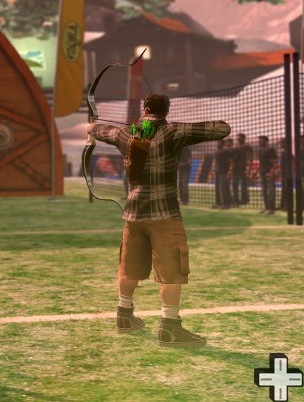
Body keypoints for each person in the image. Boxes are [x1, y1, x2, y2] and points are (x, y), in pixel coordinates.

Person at [88, 93, 229, 347]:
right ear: (166, 111)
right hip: (164, 215)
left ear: (145, 110)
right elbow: (222, 129)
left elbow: (97, 130)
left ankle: (124, 316)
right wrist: (186, 127)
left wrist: (92, 125)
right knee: (172, 272)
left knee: (128, 267)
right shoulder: (173, 132)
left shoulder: (126, 133)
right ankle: (170, 328)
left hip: (133, 215)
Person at [258, 136, 277, 215]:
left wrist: (271, 172)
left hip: (269, 173)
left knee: (271, 191)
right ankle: (267, 207)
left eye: (261, 141)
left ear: (266, 141)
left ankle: (271, 209)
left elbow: (274, 162)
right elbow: (260, 162)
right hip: (262, 172)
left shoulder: (270, 150)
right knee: (264, 191)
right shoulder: (260, 150)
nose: (259, 142)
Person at [213, 139, 233, 210]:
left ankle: (227, 204)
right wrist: (214, 171)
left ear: (223, 143)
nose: (217, 143)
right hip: (217, 171)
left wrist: (230, 171)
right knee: (217, 188)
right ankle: (218, 203)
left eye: (219, 142)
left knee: (224, 188)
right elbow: (215, 162)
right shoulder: (216, 151)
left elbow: (231, 161)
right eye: (217, 142)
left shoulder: (226, 151)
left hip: (224, 171)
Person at [231, 134, 250, 206]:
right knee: (234, 184)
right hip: (236, 168)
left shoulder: (247, 147)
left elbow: (249, 158)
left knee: (243, 185)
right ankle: (236, 200)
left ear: (243, 138)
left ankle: (244, 199)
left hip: (243, 168)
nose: (238, 139)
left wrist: (248, 169)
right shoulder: (235, 147)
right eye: (237, 138)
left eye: (239, 138)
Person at [278, 138, 293, 211]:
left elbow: (291, 163)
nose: (280, 144)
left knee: (287, 189)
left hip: (287, 173)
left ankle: (287, 206)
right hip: (283, 173)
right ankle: (283, 205)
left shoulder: (288, 152)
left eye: (282, 142)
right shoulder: (283, 152)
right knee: (284, 189)